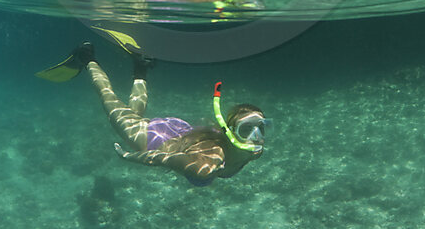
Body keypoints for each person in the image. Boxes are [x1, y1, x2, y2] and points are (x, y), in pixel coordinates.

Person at [37, 42, 270, 186]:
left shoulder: (254, 153)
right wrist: (129, 157)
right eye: (247, 129)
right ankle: (87, 56)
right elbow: (160, 158)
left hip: (180, 132)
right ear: (230, 132)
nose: (257, 135)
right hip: (154, 140)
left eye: (262, 126)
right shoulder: (206, 164)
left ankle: (141, 68)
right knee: (110, 103)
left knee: (130, 114)